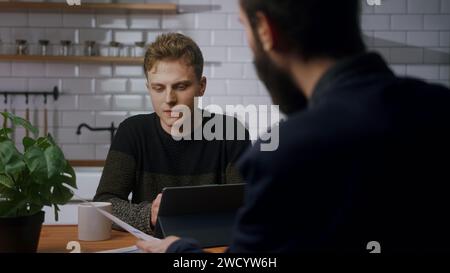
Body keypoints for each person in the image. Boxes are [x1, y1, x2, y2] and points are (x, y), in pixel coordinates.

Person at [136, 0, 450, 254]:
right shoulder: (441, 107)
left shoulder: (284, 154)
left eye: (245, 27)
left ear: (266, 30)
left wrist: (179, 251)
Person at [94, 33, 251, 235]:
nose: (169, 99)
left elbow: (248, 205)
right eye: (158, 88)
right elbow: (104, 202)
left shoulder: (232, 132)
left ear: (201, 86)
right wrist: (149, 214)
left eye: (181, 86)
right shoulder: (132, 131)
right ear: (148, 87)